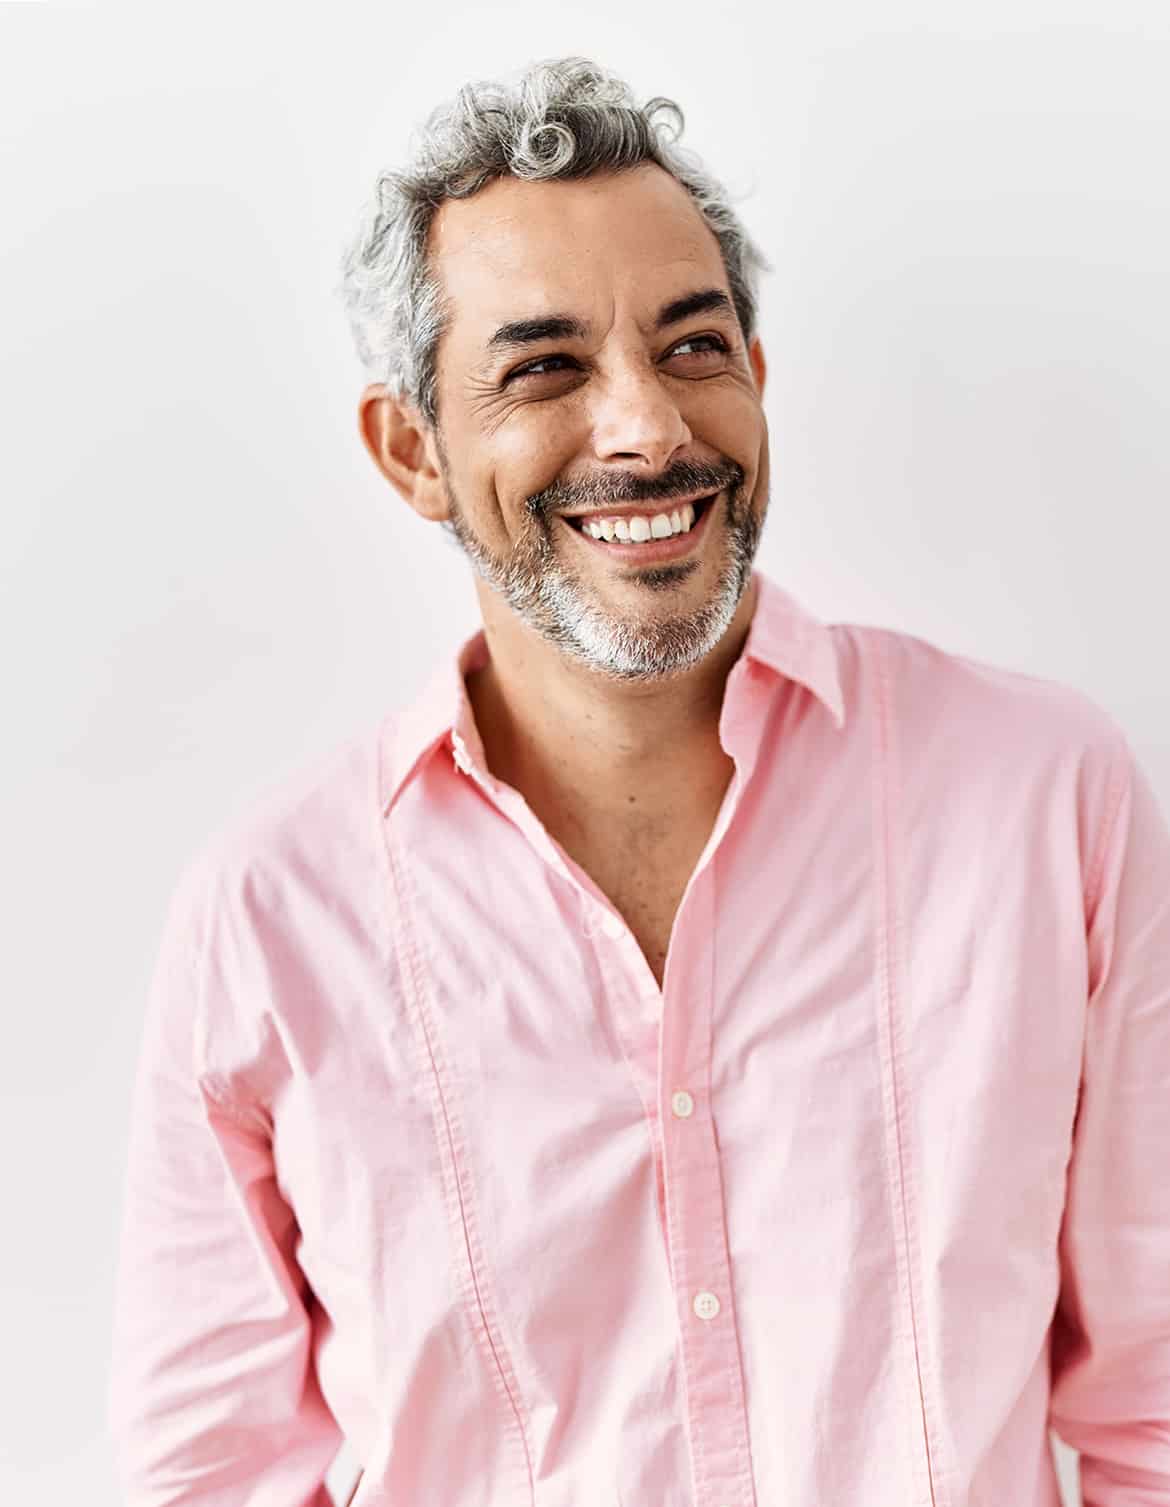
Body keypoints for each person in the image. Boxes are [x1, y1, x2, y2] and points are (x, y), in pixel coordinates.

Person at [107, 55, 1170, 1507]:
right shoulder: (269, 916)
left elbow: (1153, 1406)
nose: (648, 431)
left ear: (756, 374)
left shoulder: (1048, 802)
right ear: (412, 449)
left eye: (691, 346)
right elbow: (208, 1472)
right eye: (544, 367)